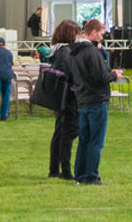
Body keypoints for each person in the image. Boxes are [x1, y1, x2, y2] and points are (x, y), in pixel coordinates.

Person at [71, 19, 122, 186]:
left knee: (84, 140)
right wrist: (114, 76)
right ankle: (91, 176)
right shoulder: (91, 52)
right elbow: (100, 77)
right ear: (93, 33)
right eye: (101, 33)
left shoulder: (76, 51)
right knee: (96, 141)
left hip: (83, 99)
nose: (102, 37)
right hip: (96, 100)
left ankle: (80, 174)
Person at [46, 20, 82, 179]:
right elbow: (71, 74)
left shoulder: (57, 51)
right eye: (77, 33)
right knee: (67, 135)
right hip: (69, 98)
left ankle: (54, 169)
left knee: (59, 135)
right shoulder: (66, 52)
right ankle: (65, 171)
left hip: (61, 98)